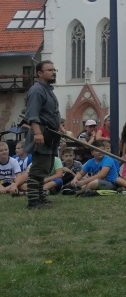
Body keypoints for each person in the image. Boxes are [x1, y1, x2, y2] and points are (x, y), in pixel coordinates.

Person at [22, 60, 61, 209]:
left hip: (51, 134)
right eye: (50, 70)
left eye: (54, 70)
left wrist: (60, 128)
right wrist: (38, 133)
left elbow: (52, 113)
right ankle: (33, 202)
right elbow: (32, 114)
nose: (54, 72)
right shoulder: (37, 90)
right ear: (39, 73)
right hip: (42, 134)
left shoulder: (48, 90)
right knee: (38, 169)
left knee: (45, 168)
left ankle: (40, 198)